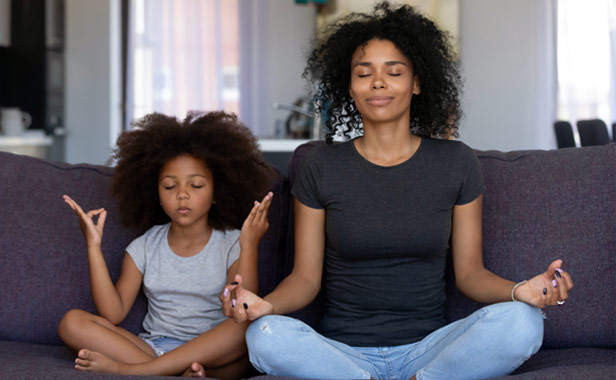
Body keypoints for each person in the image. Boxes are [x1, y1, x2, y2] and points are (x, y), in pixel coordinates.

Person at [221, 2, 574, 380]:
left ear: (417, 82)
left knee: (524, 321)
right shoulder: (321, 166)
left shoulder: (455, 162)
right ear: (350, 86)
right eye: (363, 73)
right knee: (264, 335)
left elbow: (470, 274)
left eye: (394, 71)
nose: (378, 82)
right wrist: (264, 306)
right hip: (341, 354)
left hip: (431, 348)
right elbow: (305, 279)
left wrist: (523, 290)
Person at [58, 111, 274, 379]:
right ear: (156, 195)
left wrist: (249, 244)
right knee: (72, 323)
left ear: (217, 193)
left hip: (213, 354)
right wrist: (93, 246)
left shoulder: (231, 243)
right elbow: (112, 313)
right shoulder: (144, 247)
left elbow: (243, 307)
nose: (182, 194)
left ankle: (138, 372)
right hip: (154, 348)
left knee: (245, 327)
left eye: (195, 185)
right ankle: (177, 373)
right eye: (170, 186)